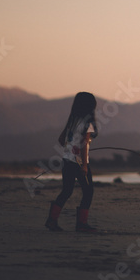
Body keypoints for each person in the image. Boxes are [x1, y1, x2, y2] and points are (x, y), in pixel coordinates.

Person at [44, 92, 99, 232]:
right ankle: (81, 224)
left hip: (66, 160)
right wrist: (85, 165)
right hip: (79, 162)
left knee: (67, 191)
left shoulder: (72, 120)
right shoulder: (88, 123)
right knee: (88, 192)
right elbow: (84, 145)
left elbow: (61, 140)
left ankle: (52, 221)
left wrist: (71, 147)